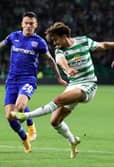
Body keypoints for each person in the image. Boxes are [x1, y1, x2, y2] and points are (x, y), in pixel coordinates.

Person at [11, 21, 114, 158]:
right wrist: (67, 69)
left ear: (64, 35)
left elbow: (103, 45)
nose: (54, 43)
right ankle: (73, 141)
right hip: (73, 85)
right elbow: (60, 61)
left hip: (88, 84)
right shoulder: (59, 50)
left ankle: (26, 116)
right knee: (55, 121)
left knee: (59, 100)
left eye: (55, 39)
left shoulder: (83, 41)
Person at [0, 12, 67, 153]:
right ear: (22, 24)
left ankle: (31, 125)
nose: (29, 26)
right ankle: (24, 138)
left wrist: (59, 77)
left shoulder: (39, 42)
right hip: (12, 80)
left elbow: (50, 60)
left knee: (19, 108)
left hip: (28, 79)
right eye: (26, 23)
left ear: (36, 25)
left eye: (31, 23)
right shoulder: (14, 36)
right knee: (9, 117)